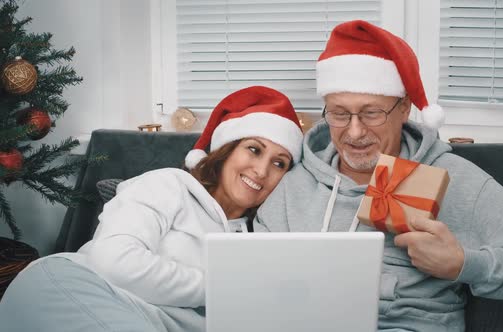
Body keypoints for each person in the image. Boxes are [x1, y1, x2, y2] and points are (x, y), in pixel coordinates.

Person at [253, 20, 503, 331]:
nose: (354, 131)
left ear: (404, 108)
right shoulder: (293, 186)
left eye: (371, 113)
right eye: (339, 113)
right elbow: (257, 283)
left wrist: (462, 263)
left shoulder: (452, 178)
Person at [0, 86, 304, 332]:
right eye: (253, 149)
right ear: (226, 150)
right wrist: (221, 286)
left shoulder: (259, 239)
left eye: (280, 163)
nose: (262, 170)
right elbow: (113, 261)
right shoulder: (169, 185)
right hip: (73, 288)